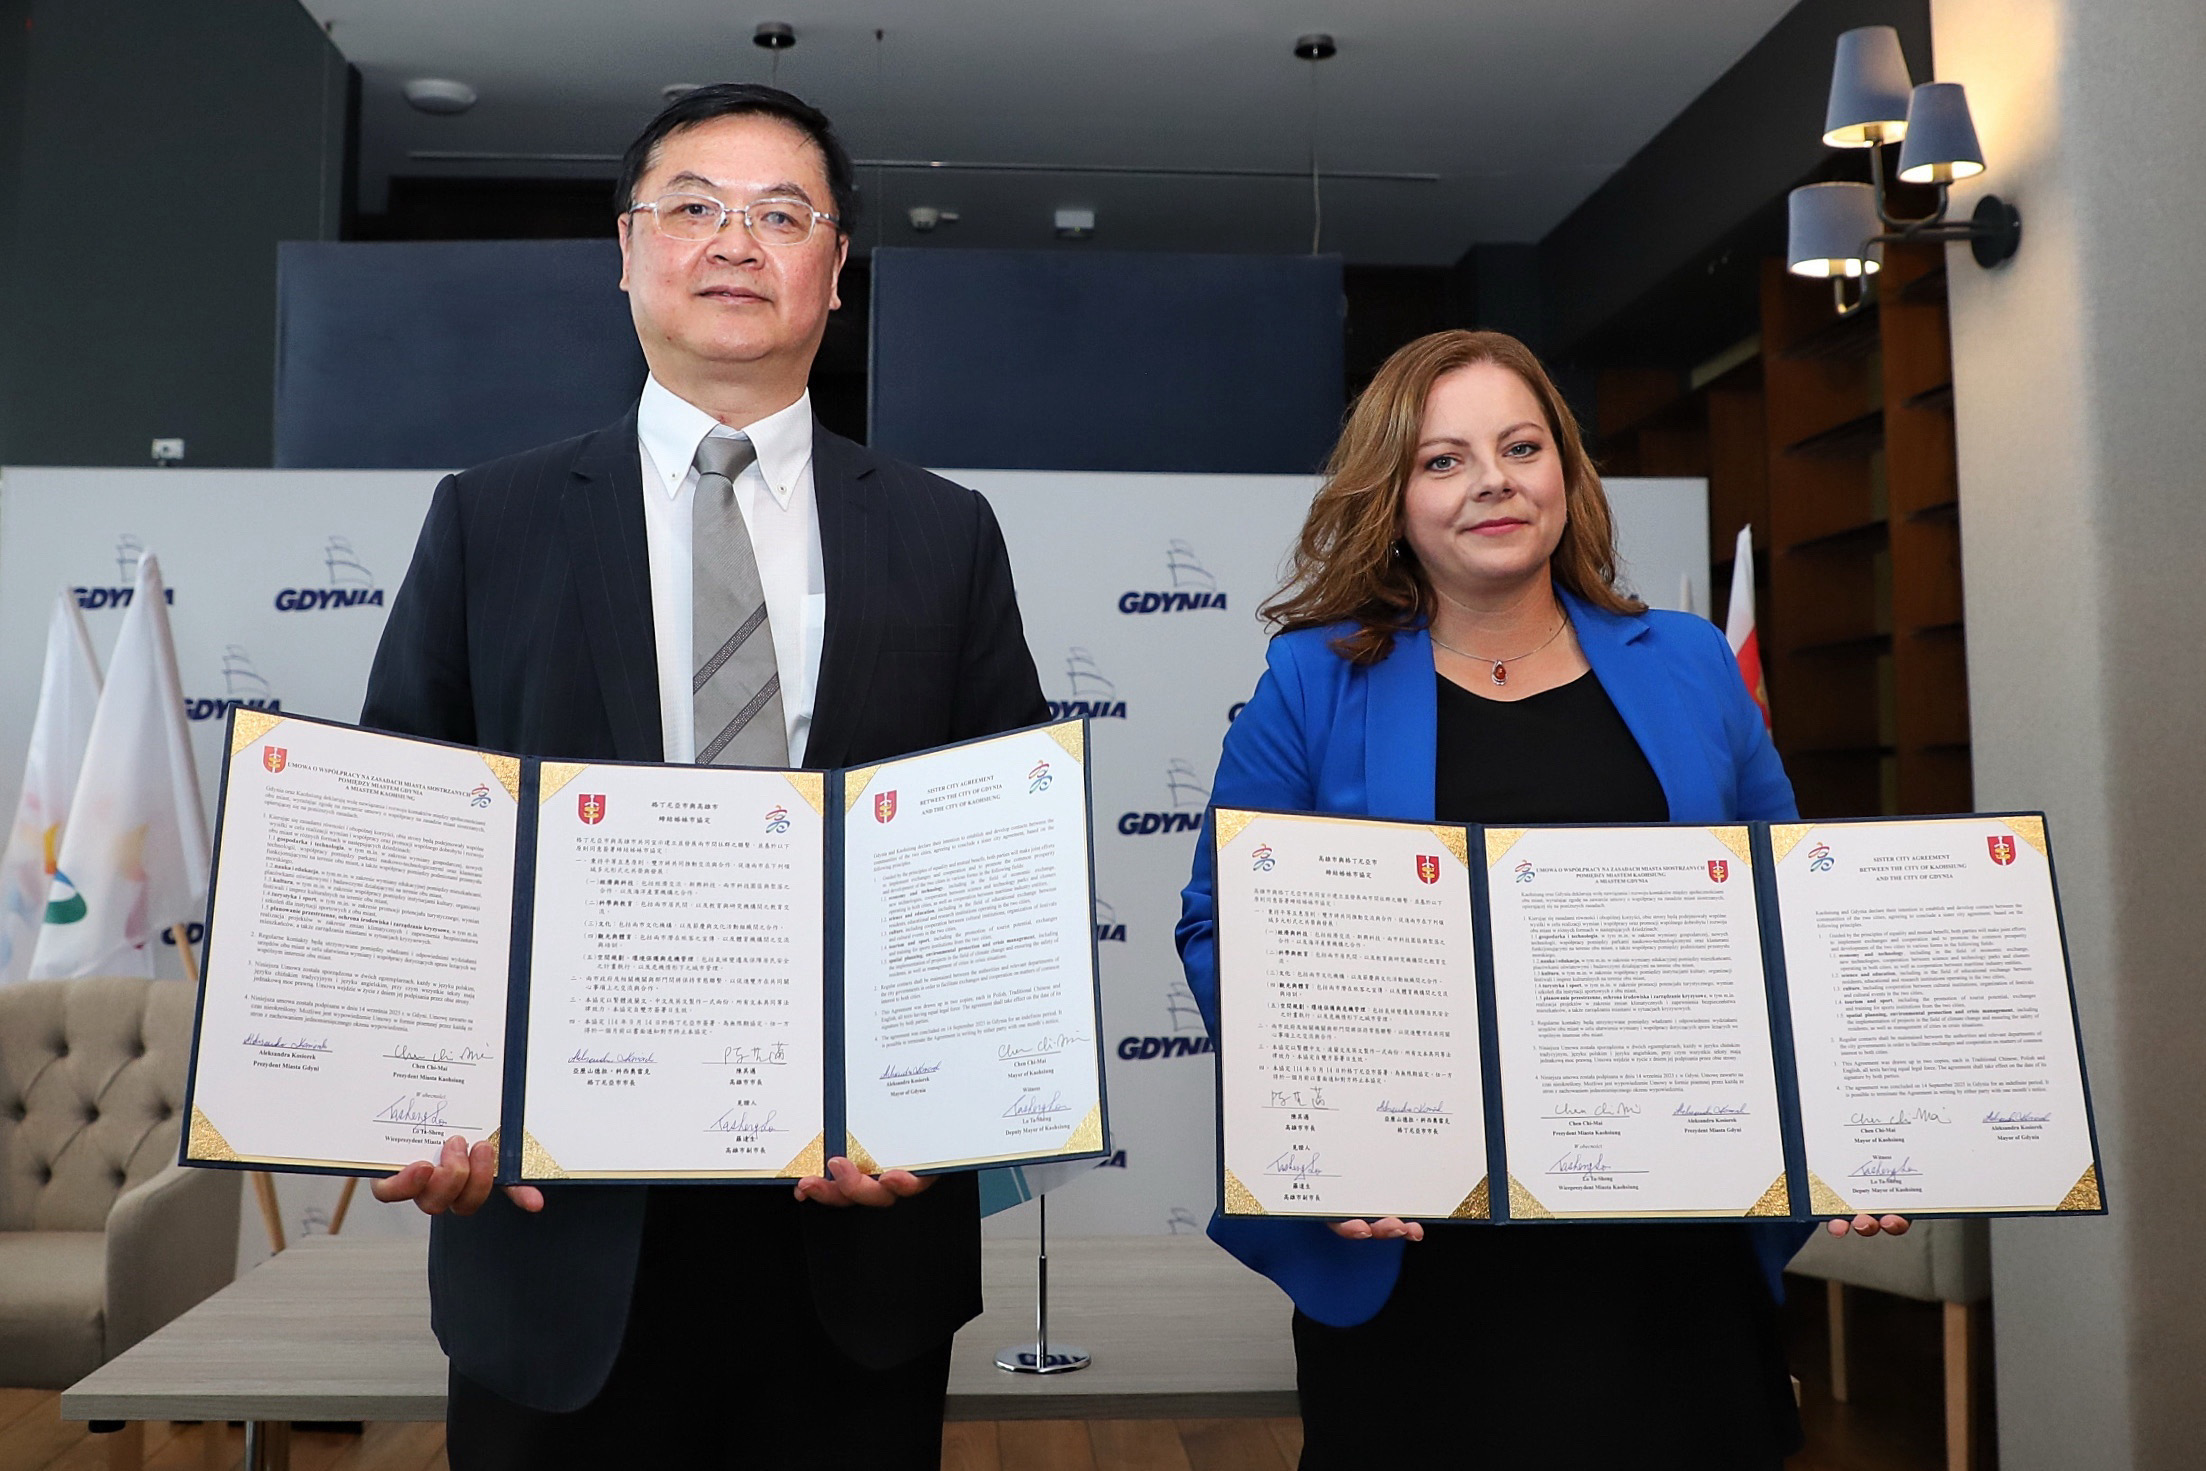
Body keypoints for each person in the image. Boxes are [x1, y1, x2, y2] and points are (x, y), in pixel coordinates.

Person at [359, 84, 1048, 1469]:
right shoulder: (485, 519)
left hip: (853, 1248)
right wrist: (402, 1093)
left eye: (782, 214)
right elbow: (407, 841)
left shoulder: (944, 531)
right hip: (554, 1241)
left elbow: (998, 867)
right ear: (626, 251)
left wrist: (948, 1105)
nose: (736, 240)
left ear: (834, 273)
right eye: (692, 207)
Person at [1175, 329, 1905, 1468]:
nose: (1493, 482)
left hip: (1670, 1236)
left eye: (1520, 446)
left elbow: (1791, 919)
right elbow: (1223, 924)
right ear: (1393, 495)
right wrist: (1322, 1127)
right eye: (1444, 460)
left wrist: (1854, 1127)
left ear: (1565, 467)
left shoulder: (1690, 661)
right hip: (1427, 1239)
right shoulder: (1315, 680)